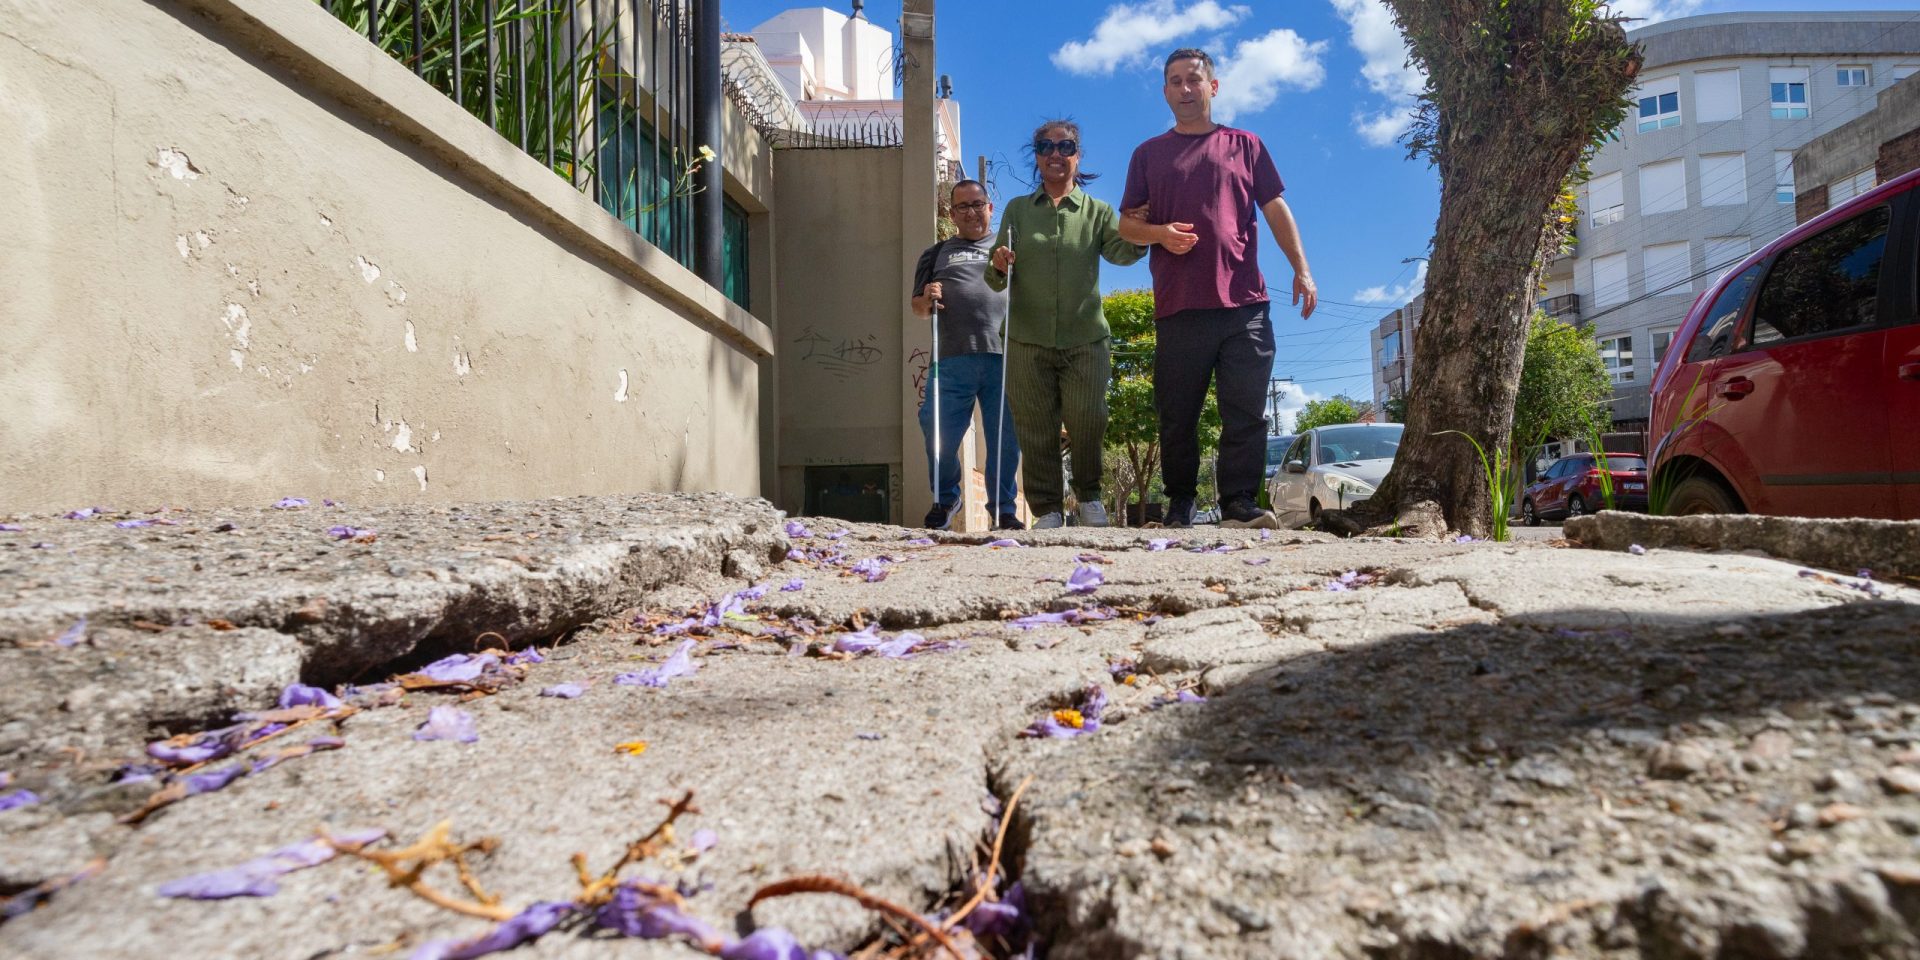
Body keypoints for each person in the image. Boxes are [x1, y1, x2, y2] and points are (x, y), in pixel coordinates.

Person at [1119, 48, 1317, 529]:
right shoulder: (1148, 154)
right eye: (1175, 82)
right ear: (1165, 91)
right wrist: (1161, 235)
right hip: (1179, 306)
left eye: (1193, 80)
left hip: (1244, 303)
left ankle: (1238, 504)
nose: (1185, 89)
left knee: (1246, 411)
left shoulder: (1246, 145)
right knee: (1178, 415)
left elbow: (1274, 208)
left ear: (1213, 86)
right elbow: (1127, 226)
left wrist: (1302, 269)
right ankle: (1181, 503)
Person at [986, 120, 1146, 529]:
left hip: (1085, 338)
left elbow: (1123, 254)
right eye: (1045, 146)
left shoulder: (1097, 212)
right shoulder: (1018, 210)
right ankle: (1048, 510)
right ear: (1037, 156)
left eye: (1065, 145)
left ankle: (1090, 497)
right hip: (1026, 338)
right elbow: (994, 274)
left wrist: (1143, 230)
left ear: (1077, 155)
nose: (1055, 153)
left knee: (1088, 418)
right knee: (1035, 425)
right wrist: (1000, 262)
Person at [911, 179, 1022, 530]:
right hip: (953, 358)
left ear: (990, 208)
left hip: (1004, 356)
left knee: (1004, 438)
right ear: (952, 213)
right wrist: (927, 296)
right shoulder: (935, 254)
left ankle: (1003, 509)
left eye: (978, 204)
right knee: (936, 428)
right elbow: (917, 307)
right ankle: (946, 499)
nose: (971, 212)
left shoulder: (1009, 249)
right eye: (962, 206)